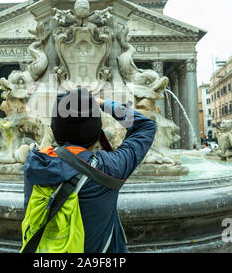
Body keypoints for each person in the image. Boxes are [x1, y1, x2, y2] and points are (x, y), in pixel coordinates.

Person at [23, 88, 156, 253]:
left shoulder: (35, 163)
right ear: (96, 132)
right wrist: (102, 104)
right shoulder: (109, 167)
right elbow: (145, 125)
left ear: (55, 130)